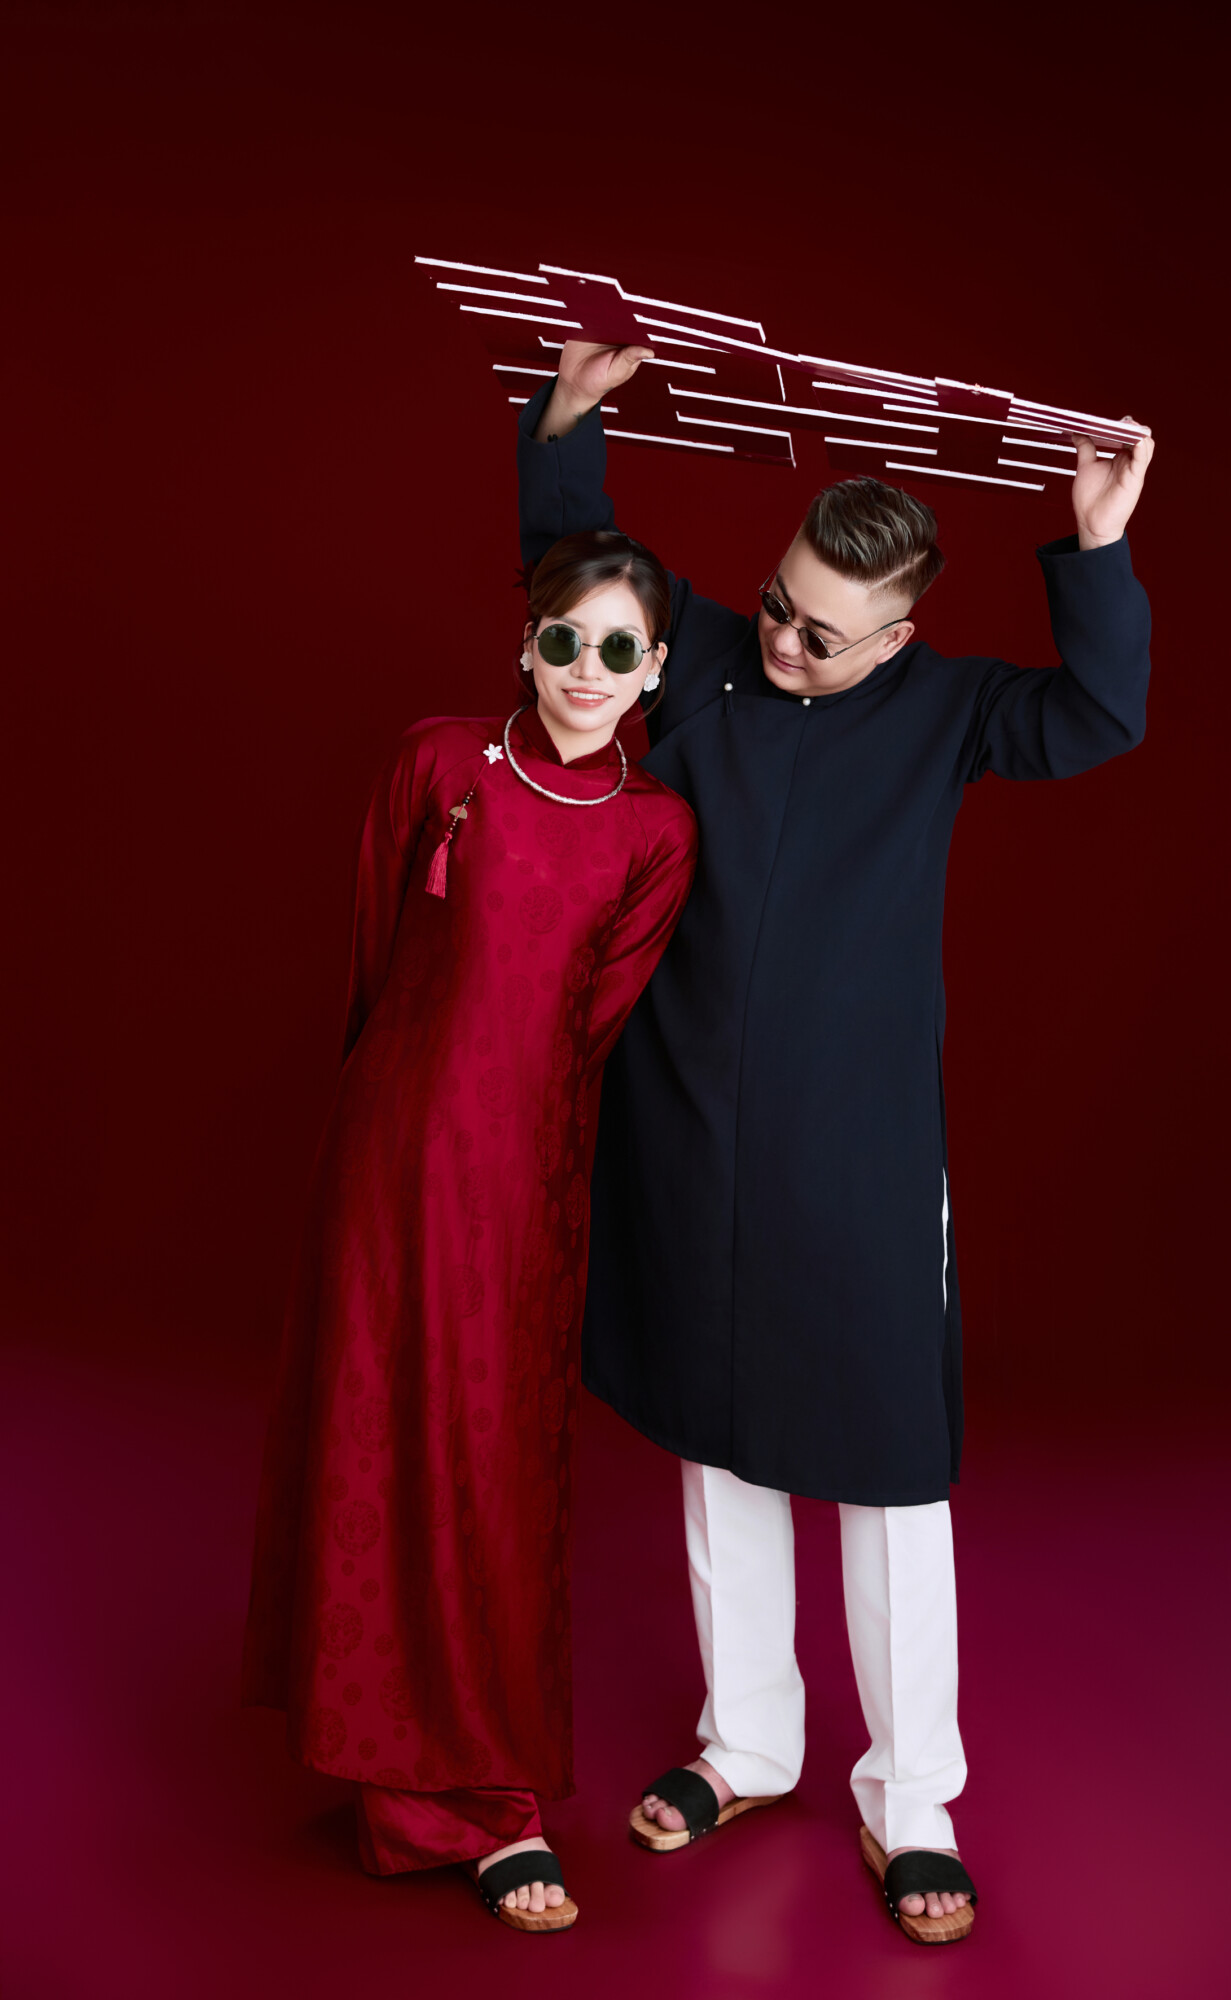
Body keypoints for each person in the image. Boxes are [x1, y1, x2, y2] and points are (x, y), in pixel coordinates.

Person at [516, 339, 1154, 1945]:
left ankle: (909, 1796)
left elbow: (1098, 712)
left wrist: (1095, 544)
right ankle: (746, 1742)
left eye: (822, 631)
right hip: (686, 1122)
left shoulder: (950, 710)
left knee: (884, 1467)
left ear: (900, 635)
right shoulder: (713, 658)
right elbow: (580, 574)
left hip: (856, 1151)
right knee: (715, 1436)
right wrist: (570, 424)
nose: (784, 641)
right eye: (777, 605)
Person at [241, 528, 697, 1932]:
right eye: (563, 640)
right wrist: (397, 1114)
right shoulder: (437, 764)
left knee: (491, 1470)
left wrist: (514, 1142)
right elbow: (377, 959)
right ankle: (398, 1786)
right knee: (375, 1440)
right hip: (390, 1162)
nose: (584, 670)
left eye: (617, 650)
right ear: (526, 643)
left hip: (525, 1187)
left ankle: (493, 1794)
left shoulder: (655, 833)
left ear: (655, 670)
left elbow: (589, 1027)